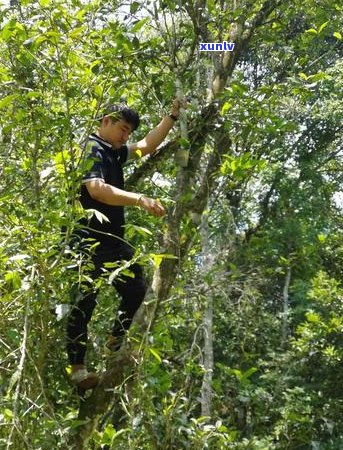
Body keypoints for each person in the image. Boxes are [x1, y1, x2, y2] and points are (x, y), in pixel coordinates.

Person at [66, 99, 184, 390]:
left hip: (113, 242)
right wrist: (139, 199)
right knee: (83, 304)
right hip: (86, 241)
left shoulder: (113, 151)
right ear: (106, 121)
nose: (125, 136)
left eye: (128, 131)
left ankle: (115, 340)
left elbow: (146, 146)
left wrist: (171, 116)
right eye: (122, 128)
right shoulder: (91, 148)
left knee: (137, 290)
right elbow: (97, 190)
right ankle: (78, 370)